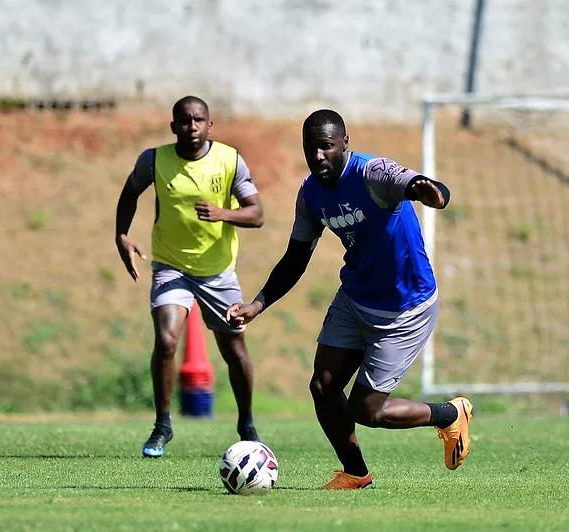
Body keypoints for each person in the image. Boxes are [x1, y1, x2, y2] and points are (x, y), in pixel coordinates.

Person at [226, 109, 473, 489]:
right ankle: (356, 473)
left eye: (326, 146)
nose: (319, 156)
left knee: (366, 410)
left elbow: (416, 183)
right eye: (312, 148)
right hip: (355, 297)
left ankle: (448, 414)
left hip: (405, 307)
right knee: (322, 387)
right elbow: (296, 257)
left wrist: (429, 191)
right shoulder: (310, 194)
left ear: (345, 143)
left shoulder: (372, 173)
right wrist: (257, 304)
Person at [115, 96, 264, 457]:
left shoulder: (229, 160)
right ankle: (162, 426)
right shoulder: (154, 160)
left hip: (217, 272)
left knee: (235, 350)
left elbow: (256, 214)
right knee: (166, 341)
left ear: (209, 125)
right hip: (170, 266)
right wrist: (121, 235)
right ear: (173, 126)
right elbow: (129, 194)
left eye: (199, 120)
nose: (192, 127)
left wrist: (222, 214)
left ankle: (247, 424)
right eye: (184, 121)